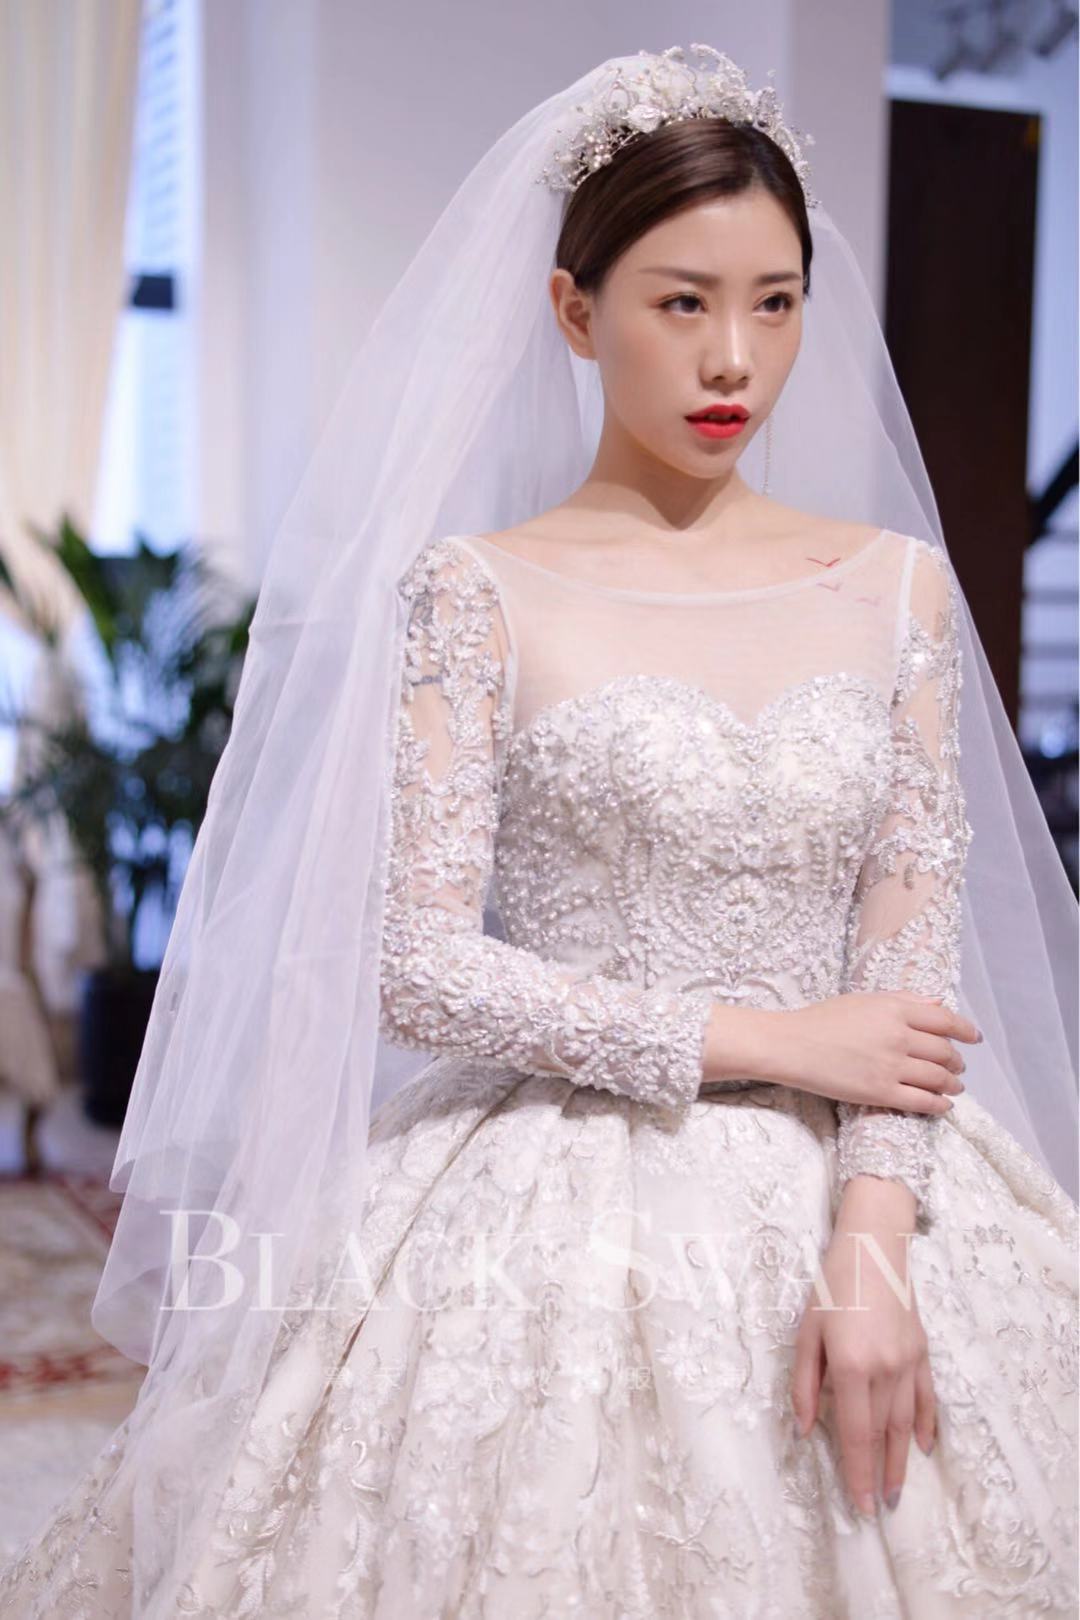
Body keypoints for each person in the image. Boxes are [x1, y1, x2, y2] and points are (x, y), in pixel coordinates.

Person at [1, 42, 1076, 1618]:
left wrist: (871, 1243)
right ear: (576, 312)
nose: (734, 357)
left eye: (774, 302)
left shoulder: (896, 587)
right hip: (546, 1179)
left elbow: (906, 978)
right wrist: (769, 1039)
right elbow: (418, 965)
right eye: (681, 302)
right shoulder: (477, 591)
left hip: (867, 1173)